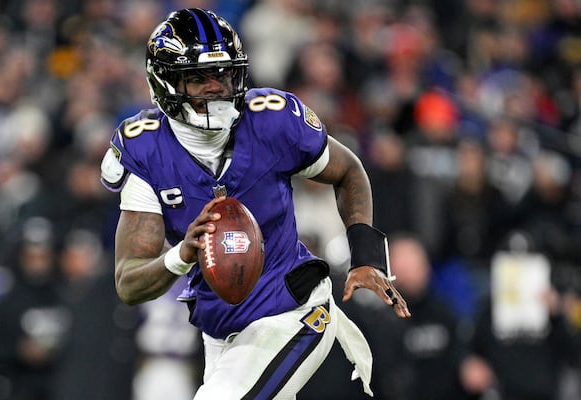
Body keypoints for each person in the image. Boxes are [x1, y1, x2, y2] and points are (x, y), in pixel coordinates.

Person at [100, 8, 410, 399]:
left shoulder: (271, 121)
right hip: (221, 332)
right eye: (198, 77)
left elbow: (348, 170)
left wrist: (366, 256)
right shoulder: (145, 151)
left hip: (294, 311)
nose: (215, 86)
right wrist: (182, 254)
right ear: (166, 82)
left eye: (223, 73)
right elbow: (128, 281)